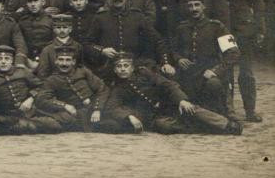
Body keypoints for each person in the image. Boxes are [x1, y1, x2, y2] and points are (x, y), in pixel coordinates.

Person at [102, 53, 241, 135]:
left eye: (126, 66)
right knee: (164, 127)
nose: (122, 69)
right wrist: (129, 116)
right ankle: (203, 128)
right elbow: (111, 108)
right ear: (115, 70)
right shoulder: (117, 88)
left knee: (190, 108)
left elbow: (167, 84)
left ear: (132, 68)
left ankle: (228, 125)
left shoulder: (145, 73)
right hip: (154, 117)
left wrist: (181, 100)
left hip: (168, 105)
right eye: (119, 66)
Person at [205, 0, 266, 122]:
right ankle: (228, 110)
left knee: (246, 71)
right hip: (224, 28)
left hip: (243, 27)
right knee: (227, 69)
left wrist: (259, 26)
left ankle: (250, 111)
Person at [171, 0, 238, 116]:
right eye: (190, 6)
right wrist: (178, 58)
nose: (194, 9)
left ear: (203, 6)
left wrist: (215, 71)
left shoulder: (217, 26)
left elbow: (233, 53)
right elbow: (173, 49)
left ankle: (221, 113)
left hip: (208, 72)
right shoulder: (181, 28)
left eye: (197, 5)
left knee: (213, 84)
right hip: (188, 74)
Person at [86, 0, 172, 78]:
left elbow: (158, 40)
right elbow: (88, 44)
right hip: (109, 67)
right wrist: (102, 50)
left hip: (136, 65)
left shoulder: (137, 16)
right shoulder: (100, 17)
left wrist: (165, 63)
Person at [0, 45, 61, 134]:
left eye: (7, 59)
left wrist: (31, 98)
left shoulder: (22, 71)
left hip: (28, 113)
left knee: (54, 125)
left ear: (12, 60)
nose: (3, 62)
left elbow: (41, 86)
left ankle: (19, 127)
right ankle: (21, 126)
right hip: (6, 116)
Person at [36, 46, 108, 132]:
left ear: (73, 62)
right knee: (63, 121)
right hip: (75, 113)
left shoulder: (83, 72)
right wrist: (64, 105)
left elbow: (102, 88)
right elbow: (42, 99)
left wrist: (97, 109)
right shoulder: (52, 80)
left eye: (68, 60)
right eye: (61, 59)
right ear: (56, 61)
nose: (64, 64)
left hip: (94, 109)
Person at [17, 0, 54, 71]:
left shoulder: (51, 20)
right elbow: (20, 44)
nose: (33, 4)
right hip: (27, 60)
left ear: (43, 2)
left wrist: (41, 60)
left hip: (47, 60)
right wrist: (25, 60)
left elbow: (54, 43)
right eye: (30, 1)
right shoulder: (22, 21)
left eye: (36, 1)